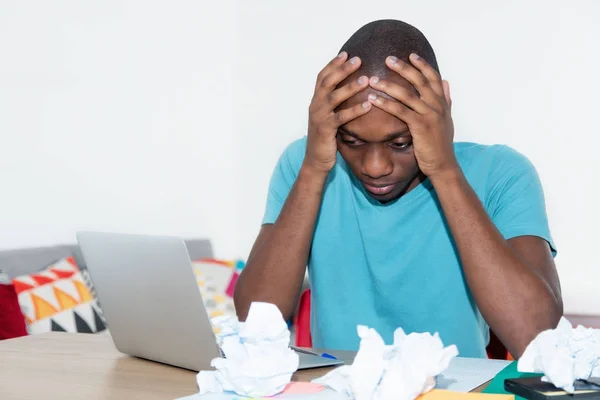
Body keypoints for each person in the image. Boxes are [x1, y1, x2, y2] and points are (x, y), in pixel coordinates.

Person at [233, 19, 562, 358]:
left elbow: (536, 336)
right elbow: (255, 321)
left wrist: (444, 170)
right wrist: (314, 170)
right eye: (351, 140)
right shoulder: (306, 164)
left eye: (402, 143)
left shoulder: (500, 174)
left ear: (441, 111)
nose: (375, 166)